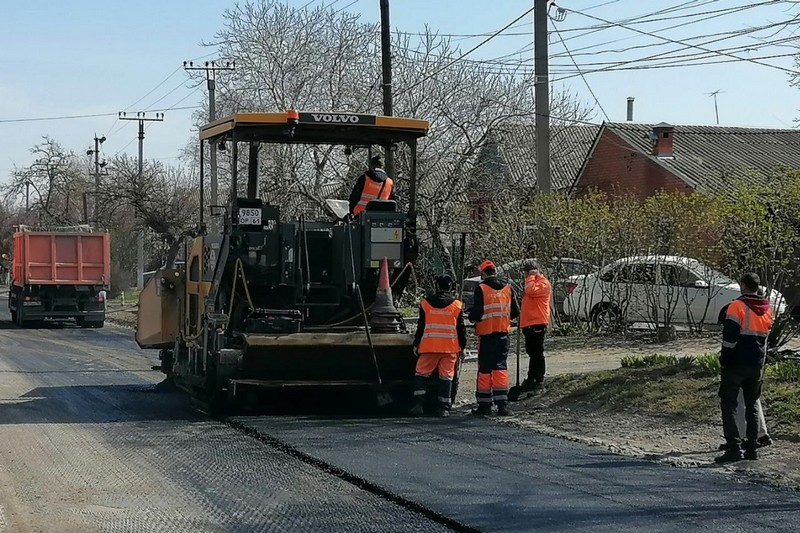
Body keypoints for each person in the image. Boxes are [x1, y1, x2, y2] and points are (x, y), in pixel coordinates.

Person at [715, 272, 773, 463]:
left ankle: (734, 447)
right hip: (756, 364)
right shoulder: (767, 309)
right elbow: (765, 338)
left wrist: (725, 358)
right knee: (752, 405)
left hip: (736, 363)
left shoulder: (737, 306)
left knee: (729, 404)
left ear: (743, 286)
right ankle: (751, 449)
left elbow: (730, 338)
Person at [409, 275, 467, 417]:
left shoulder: (425, 304)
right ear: (451, 287)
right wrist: (463, 347)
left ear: (437, 286)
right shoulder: (457, 305)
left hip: (429, 347)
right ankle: (443, 408)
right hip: (450, 348)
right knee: (446, 377)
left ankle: (418, 405)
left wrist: (416, 344)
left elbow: (421, 326)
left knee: (421, 374)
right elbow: (461, 329)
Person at [468, 260, 520, 416]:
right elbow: (516, 312)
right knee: (500, 368)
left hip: (487, 335)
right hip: (503, 335)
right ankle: (502, 404)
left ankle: (484, 405)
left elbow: (477, 313)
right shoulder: (508, 288)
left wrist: (471, 316)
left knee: (485, 369)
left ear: (483, 273)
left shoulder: (481, 288)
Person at [517, 260, 551, 393]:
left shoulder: (543, 283)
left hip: (537, 322)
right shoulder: (533, 283)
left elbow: (530, 290)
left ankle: (538, 379)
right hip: (530, 323)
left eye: (526, 273)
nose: (525, 276)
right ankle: (531, 378)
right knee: (532, 352)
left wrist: (531, 276)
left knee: (537, 353)